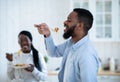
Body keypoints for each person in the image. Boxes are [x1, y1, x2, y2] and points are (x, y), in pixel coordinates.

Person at [35, 8, 99, 82]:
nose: (65, 22)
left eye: (69, 20)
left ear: (80, 25)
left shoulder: (86, 55)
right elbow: (53, 52)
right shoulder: (71, 43)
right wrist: (47, 34)